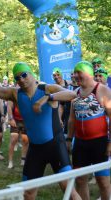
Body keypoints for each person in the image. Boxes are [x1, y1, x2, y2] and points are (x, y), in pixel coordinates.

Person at [0, 62, 81, 200]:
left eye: (24, 75)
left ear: (31, 74)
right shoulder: (15, 94)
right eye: (17, 78)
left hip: (55, 146)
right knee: (27, 193)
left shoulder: (47, 88)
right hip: (35, 149)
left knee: (68, 190)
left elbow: (71, 94)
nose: (21, 80)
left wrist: (47, 98)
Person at [67, 61, 111, 200]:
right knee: (80, 180)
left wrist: (110, 144)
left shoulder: (102, 89)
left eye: (78, 72)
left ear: (87, 73)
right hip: (80, 143)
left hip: (100, 142)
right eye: (74, 73)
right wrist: (69, 139)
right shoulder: (75, 93)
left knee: (103, 182)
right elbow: (71, 119)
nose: (75, 76)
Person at [7, 100, 29, 169]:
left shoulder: (28, 93)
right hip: (15, 120)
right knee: (14, 139)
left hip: (26, 120)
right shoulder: (13, 93)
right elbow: (9, 106)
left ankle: (23, 159)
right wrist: (10, 118)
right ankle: (10, 161)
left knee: (25, 140)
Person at [52, 67, 72, 136]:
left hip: (68, 110)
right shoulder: (53, 87)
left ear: (61, 74)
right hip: (58, 111)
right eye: (54, 76)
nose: (56, 77)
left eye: (58, 74)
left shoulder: (69, 83)